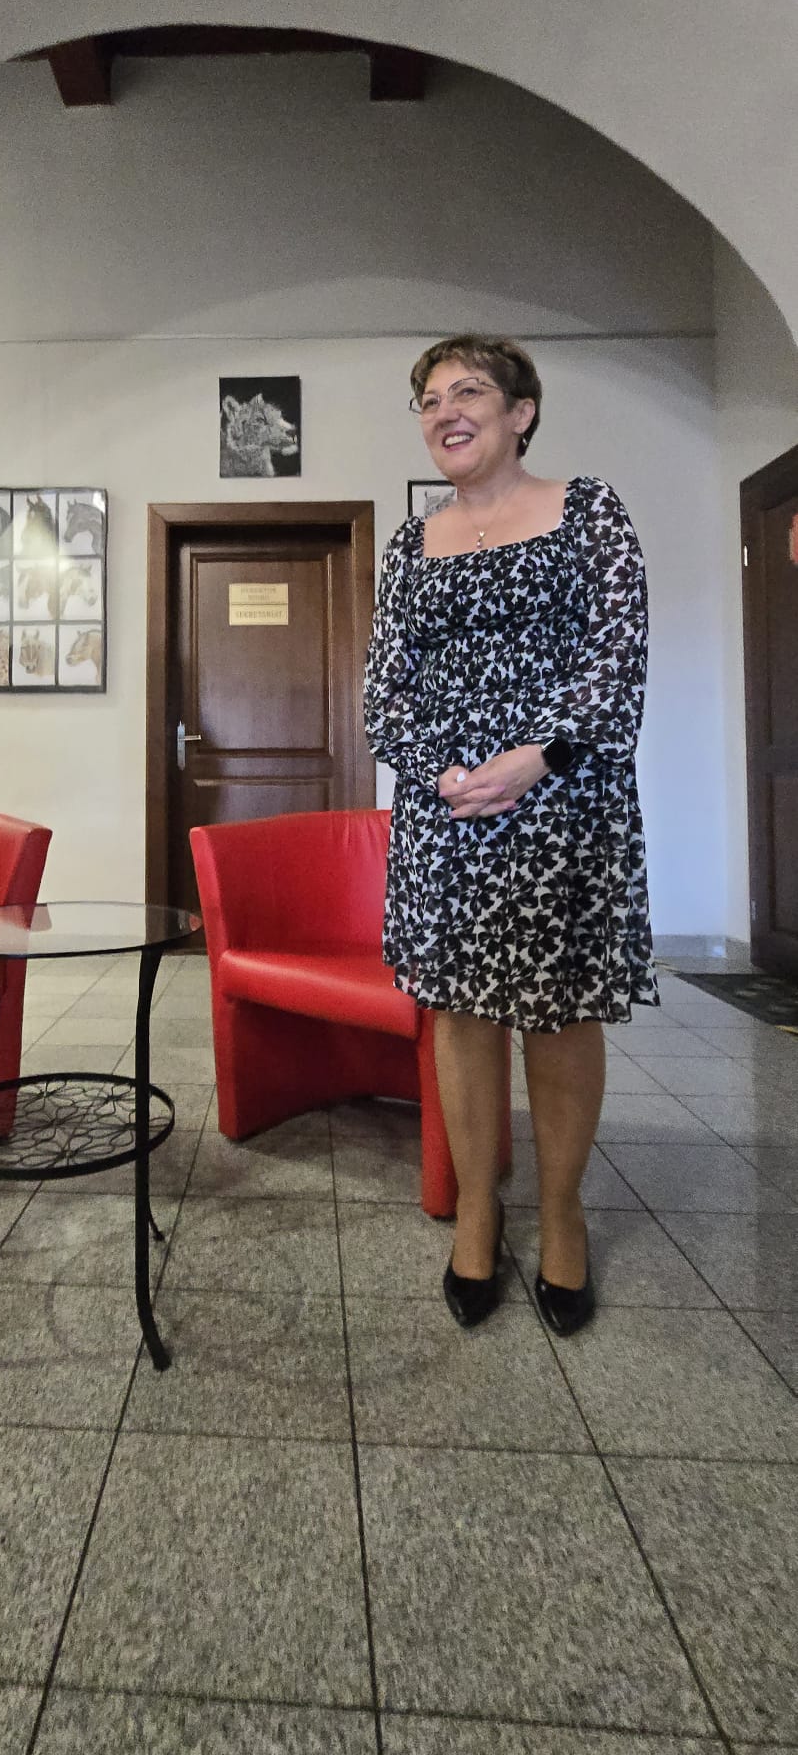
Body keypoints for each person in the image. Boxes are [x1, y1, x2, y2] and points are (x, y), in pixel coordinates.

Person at [364, 335, 657, 1335]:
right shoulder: (409, 544)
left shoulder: (588, 510)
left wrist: (537, 756)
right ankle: (479, 1207)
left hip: (562, 799)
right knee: (459, 1010)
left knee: (560, 1010)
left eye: (469, 391)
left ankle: (562, 1209)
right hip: (447, 812)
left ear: (521, 411)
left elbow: (617, 648)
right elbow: (385, 687)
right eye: (429, 399)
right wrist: (440, 771)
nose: (445, 410)